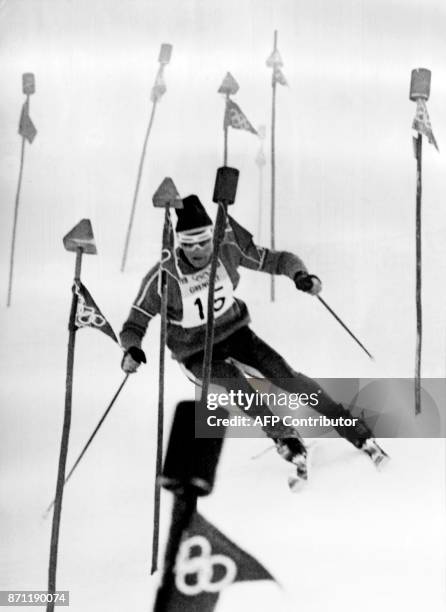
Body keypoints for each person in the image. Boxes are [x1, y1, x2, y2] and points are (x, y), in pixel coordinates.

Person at [120, 195, 388, 490]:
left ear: (213, 236)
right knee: (238, 386)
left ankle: (352, 427)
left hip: (236, 333)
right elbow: (136, 320)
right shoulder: (164, 275)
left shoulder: (227, 249)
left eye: (203, 241)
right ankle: (285, 438)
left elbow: (276, 260)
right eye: (188, 244)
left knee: (286, 376)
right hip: (196, 352)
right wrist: (132, 349)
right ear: (178, 244)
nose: (197, 250)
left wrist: (300, 275)